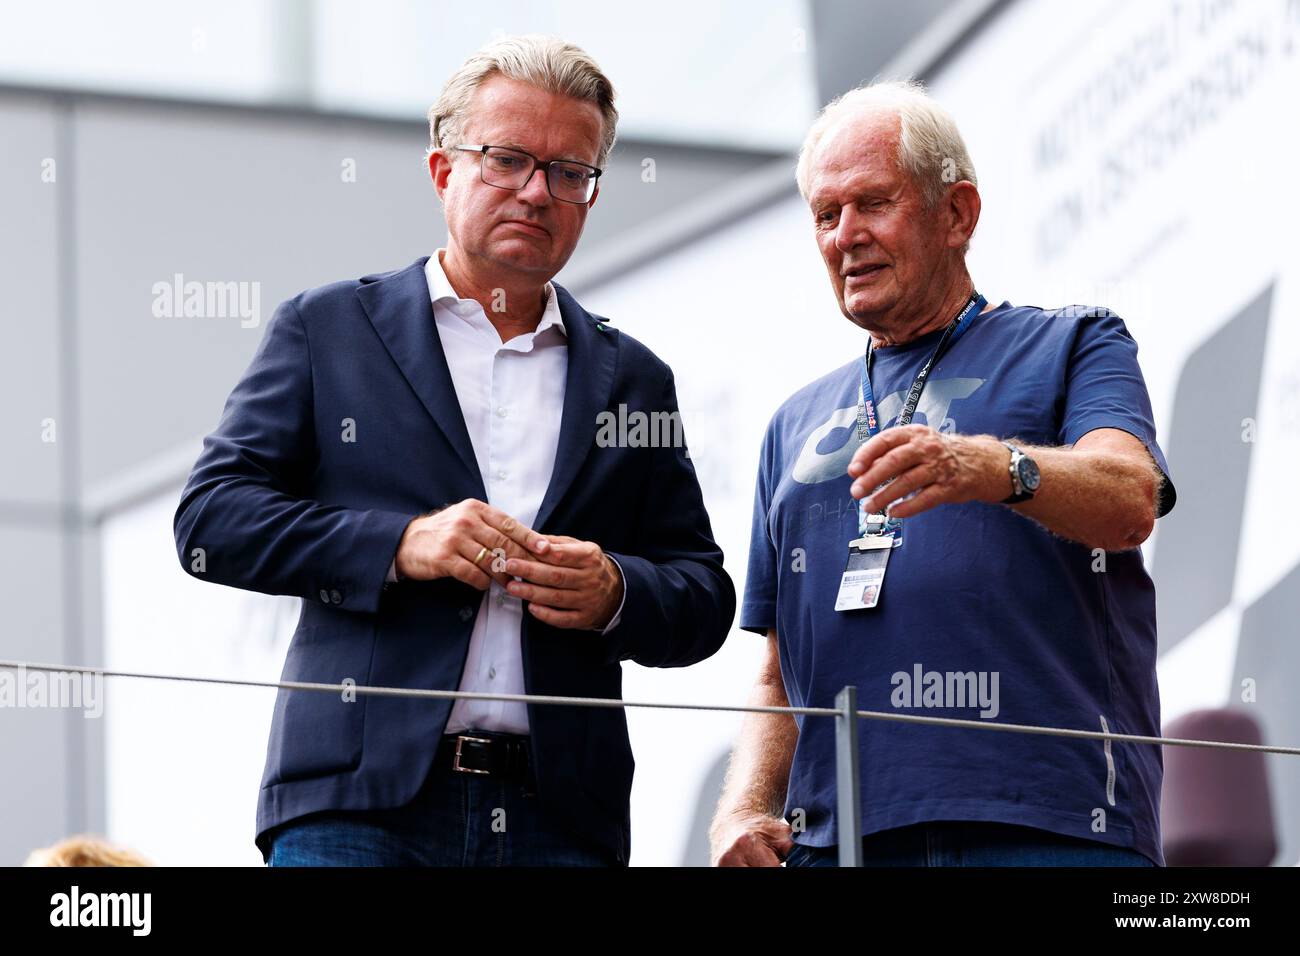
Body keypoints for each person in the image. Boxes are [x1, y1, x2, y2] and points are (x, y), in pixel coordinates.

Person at [174, 34, 734, 867]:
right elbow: (211, 519)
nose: (538, 192)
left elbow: (701, 595)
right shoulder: (327, 330)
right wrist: (403, 545)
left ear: (590, 194)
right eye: (507, 159)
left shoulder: (634, 378)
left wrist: (617, 589)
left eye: (569, 172)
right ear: (444, 171)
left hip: (561, 821)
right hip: (358, 809)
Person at [710, 80, 1175, 867]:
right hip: (840, 841)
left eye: (872, 204)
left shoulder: (1074, 345)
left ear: (957, 213)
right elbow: (777, 669)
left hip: (1052, 827)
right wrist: (746, 809)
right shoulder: (792, 423)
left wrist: (989, 466)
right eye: (827, 215)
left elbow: (1130, 500)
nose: (844, 236)